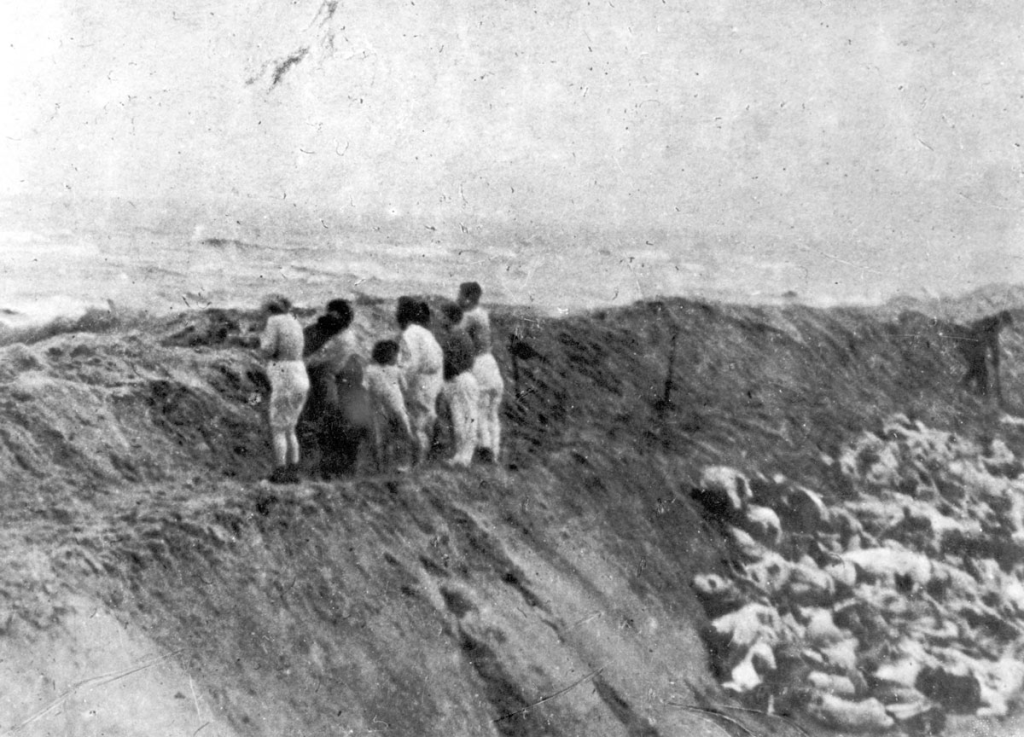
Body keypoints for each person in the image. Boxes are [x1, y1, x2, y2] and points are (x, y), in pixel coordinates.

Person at [259, 294, 309, 483]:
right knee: (290, 428)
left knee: (278, 428)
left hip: (284, 373)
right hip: (300, 371)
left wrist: (260, 341)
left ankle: (280, 471)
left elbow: (268, 348)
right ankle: (294, 470)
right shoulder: (294, 320)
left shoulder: (274, 321)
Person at [457, 281, 505, 462]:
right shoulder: (483, 314)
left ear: (468, 298)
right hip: (490, 362)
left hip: (478, 364)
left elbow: (457, 334)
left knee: (479, 409)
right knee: (492, 412)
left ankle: (485, 450)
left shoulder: (469, 317)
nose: (457, 298)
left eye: (460, 295)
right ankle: (495, 451)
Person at [396, 297, 444, 465]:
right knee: (425, 424)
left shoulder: (410, 334)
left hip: (418, 385)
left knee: (415, 426)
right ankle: (420, 463)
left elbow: (410, 364)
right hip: (431, 384)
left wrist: (399, 385)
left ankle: (415, 464)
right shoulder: (426, 333)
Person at [438, 302, 480, 467]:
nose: (440, 318)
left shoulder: (454, 336)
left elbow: (449, 362)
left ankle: (464, 457)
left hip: (460, 379)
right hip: (462, 378)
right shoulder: (459, 335)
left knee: (463, 418)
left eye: (443, 315)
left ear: (449, 317)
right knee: (461, 418)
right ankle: (461, 456)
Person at [363, 339, 413, 471]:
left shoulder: (370, 369)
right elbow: (405, 387)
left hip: (378, 408)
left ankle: (381, 466)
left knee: (381, 438)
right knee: (403, 435)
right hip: (396, 407)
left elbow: (365, 387)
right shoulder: (396, 370)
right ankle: (402, 464)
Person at [956, 310, 1014, 403]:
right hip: (972, 346)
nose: (1003, 329)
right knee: (981, 370)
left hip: (971, 346)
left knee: (977, 368)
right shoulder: (993, 325)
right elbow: (992, 342)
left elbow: (993, 342)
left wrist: (997, 356)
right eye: (1004, 326)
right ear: (1002, 320)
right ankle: (980, 395)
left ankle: (966, 386)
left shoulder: (992, 324)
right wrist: (996, 357)